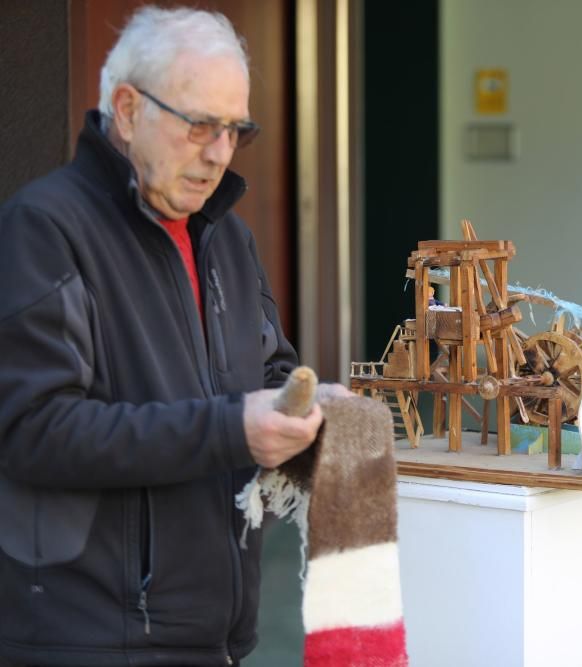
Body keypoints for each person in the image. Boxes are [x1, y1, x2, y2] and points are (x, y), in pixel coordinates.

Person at [0, 7, 340, 666]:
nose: (218, 153)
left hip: (217, 635)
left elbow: (271, 373)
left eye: (235, 130)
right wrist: (231, 430)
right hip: (92, 641)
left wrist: (310, 414)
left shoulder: (229, 238)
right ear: (127, 111)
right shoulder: (42, 229)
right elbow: (31, 431)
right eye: (199, 125)